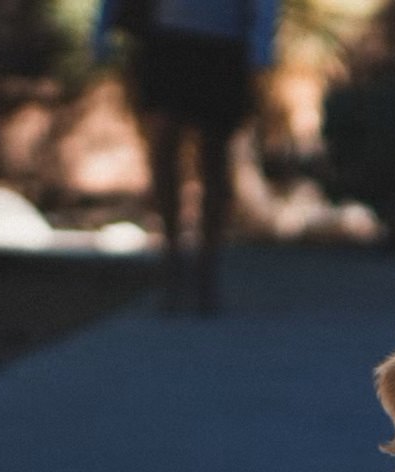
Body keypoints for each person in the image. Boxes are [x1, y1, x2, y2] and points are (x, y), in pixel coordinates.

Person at [98, 0, 278, 314]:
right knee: (163, 148)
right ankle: (172, 260)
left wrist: (260, 48)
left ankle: (207, 269)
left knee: (214, 158)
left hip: (222, 44)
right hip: (166, 41)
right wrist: (102, 30)